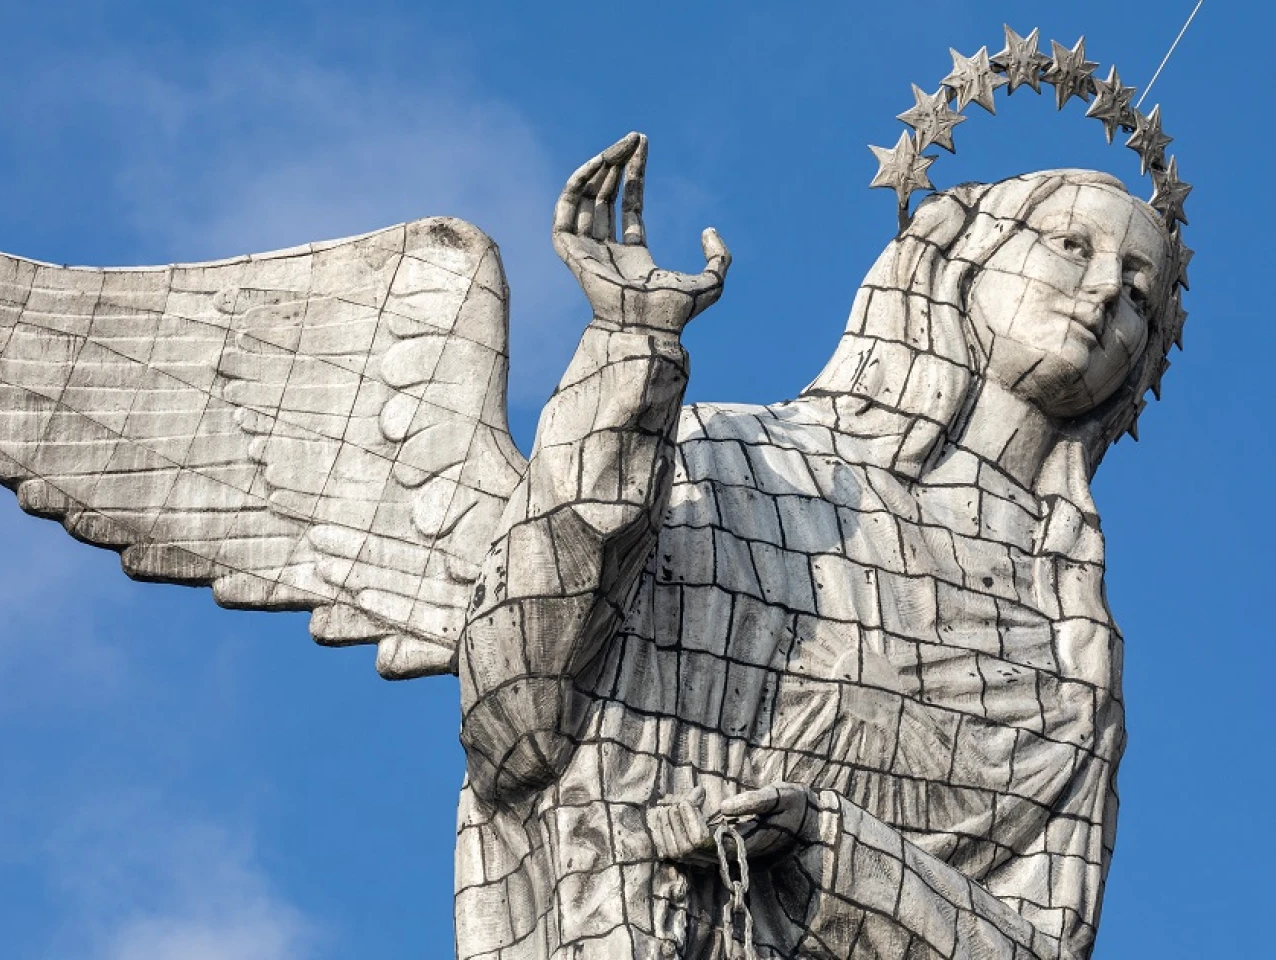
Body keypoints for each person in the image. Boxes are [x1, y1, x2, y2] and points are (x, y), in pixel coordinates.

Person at [455, 133, 1177, 960]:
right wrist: (630, 348)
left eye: (1139, 294)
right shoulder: (730, 460)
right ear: (964, 260)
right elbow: (516, 716)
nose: (1105, 292)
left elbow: (1042, 945)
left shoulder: (1074, 652)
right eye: (1072, 245)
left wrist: (823, 843)